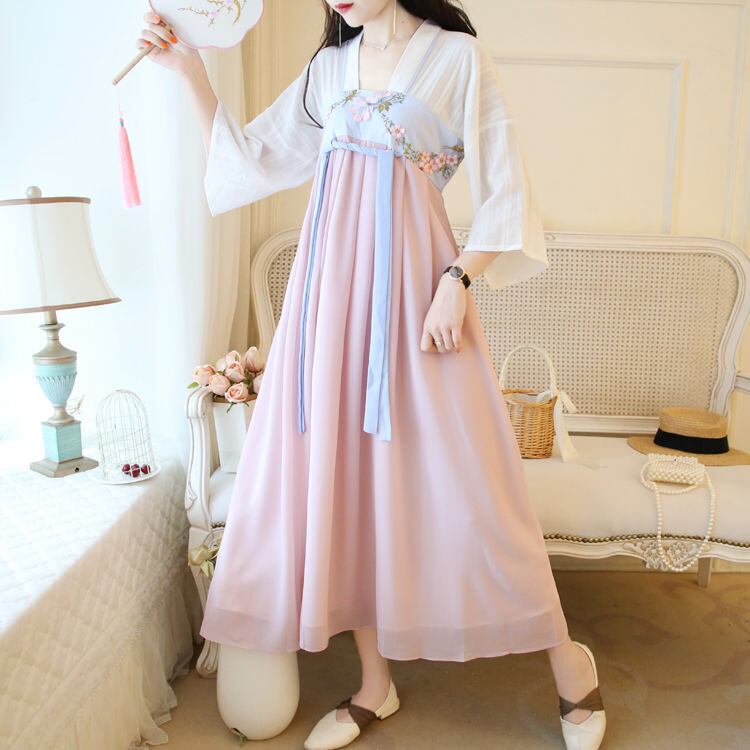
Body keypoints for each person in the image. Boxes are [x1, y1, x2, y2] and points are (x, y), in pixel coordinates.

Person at [137, 2, 607, 749]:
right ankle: (374, 684)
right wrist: (191, 71)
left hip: (419, 296)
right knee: (346, 479)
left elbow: (507, 191)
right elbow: (251, 161)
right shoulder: (328, 70)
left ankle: (569, 661)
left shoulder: (455, 57)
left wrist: (457, 280)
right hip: (329, 305)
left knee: (476, 484)